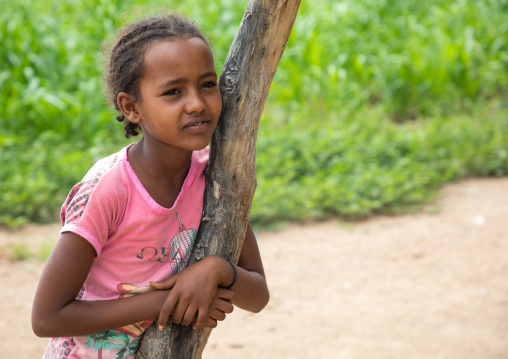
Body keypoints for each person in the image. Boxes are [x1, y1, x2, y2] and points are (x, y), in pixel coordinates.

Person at [32, 13, 269, 359]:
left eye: (207, 84)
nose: (196, 103)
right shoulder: (109, 189)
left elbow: (258, 294)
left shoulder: (216, 181)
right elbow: (46, 317)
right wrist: (167, 301)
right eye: (173, 91)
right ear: (131, 107)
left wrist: (218, 270)